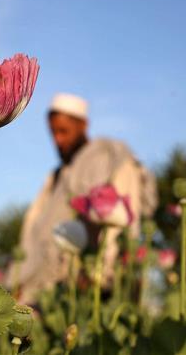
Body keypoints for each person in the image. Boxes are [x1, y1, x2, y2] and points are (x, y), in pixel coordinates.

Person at [9, 93, 157, 304]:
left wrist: (100, 275)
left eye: (63, 131)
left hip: (87, 286)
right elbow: (33, 231)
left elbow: (123, 221)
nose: (57, 140)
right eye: (52, 133)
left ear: (83, 125)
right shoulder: (57, 176)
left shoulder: (110, 158)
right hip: (43, 289)